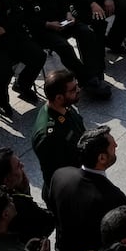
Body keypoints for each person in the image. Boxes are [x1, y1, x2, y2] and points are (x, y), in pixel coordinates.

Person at [48, 126, 126, 251]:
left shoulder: (60, 175)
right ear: (101, 158)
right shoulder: (114, 198)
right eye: (112, 146)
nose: (116, 144)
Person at [30, 68, 87, 197]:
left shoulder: (64, 107)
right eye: (73, 90)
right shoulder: (48, 135)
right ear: (59, 98)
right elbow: (57, 173)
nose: (78, 90)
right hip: (68, 191)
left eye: (77, 85)